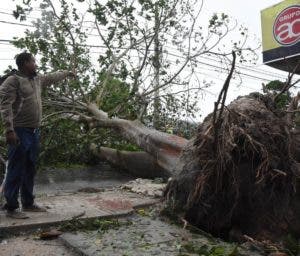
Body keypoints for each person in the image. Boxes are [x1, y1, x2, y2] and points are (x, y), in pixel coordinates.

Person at [0, 52, 75, 219]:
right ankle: (11, 207)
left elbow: (52, 77)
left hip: (34, 131)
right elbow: (5, 106)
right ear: (25, 63)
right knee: (16, 167)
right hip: (19, 130)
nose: (36, 63)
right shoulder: (13, 81)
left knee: (30, 167)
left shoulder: (36, 79)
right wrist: (9, 130)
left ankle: (28, 202)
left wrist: (67, 73)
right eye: (33, 61)